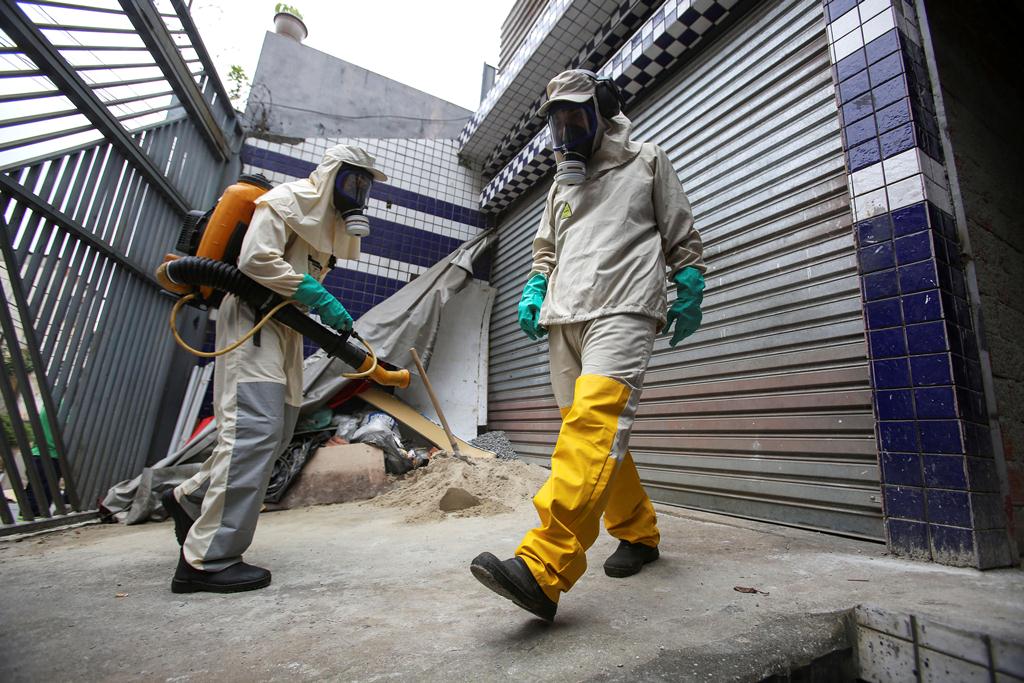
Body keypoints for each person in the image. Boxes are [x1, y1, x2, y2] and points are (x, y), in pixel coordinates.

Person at [470, 70, 706, 621]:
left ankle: (544, 565)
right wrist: (535, 288)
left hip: (625, 306)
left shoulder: (647, 160)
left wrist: (689, 281)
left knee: (593, 426)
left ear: (602, 111)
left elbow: (679, 231)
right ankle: (638, 531)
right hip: (565, 315)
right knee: (589, 434)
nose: (566, 130)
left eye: (576, 116)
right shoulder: (561, 184)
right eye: (557, 121)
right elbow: (546, 250)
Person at [161, 144, 387, 594]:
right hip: (253, 319)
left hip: (284, 329)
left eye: (366, 184)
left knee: (278, 432)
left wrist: (316, 302)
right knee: (254, 430)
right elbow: (256, 260)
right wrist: (318, 296)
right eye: (353, 180)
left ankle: (191, 498)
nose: (359, 191)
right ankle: (207, 561)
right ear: (331, 175)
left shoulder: (326, 227)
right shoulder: (286, 201)